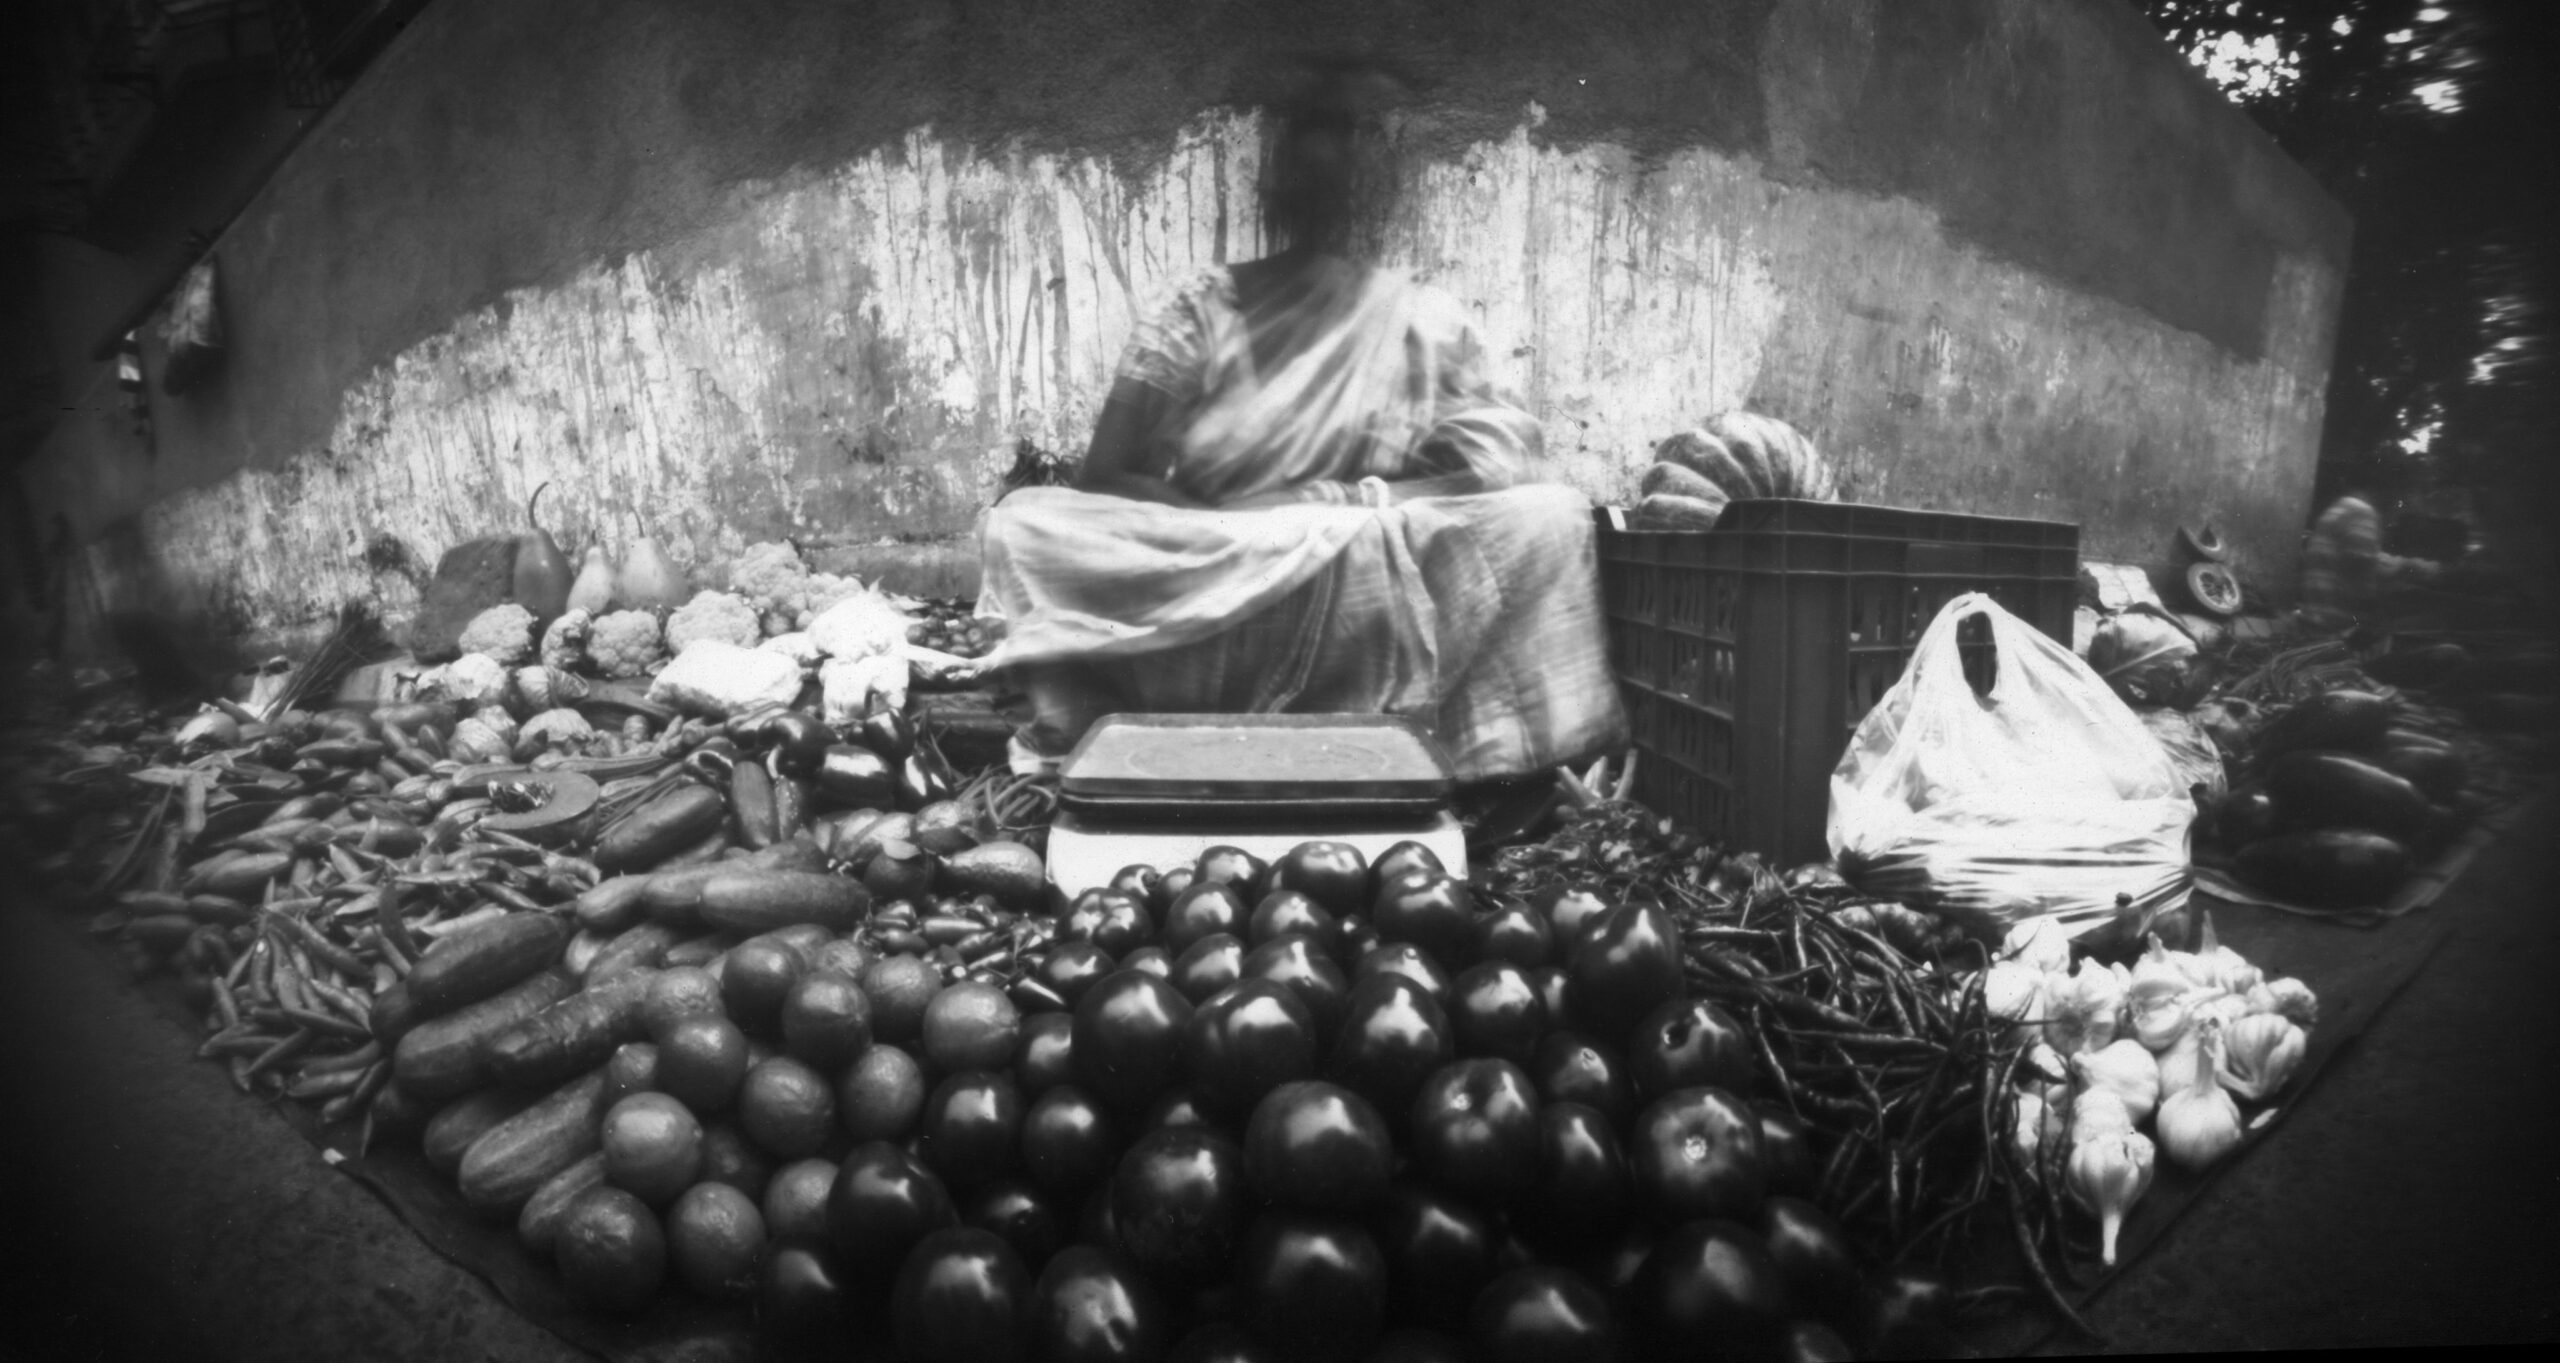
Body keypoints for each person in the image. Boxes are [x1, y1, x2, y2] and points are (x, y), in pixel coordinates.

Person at [975, 64, 1628, 791]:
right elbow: (1103, 477)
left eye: (1346, 165)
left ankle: (1484, 754)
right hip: (1212, 570)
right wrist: (1235, 525)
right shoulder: (1199, 309)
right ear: (1275, 186)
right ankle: (1121, 710)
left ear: (1370, 195)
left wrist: (1341, 507)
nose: (1326, 189)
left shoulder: (1417, 322)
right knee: (1026, 522)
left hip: (1359, 566)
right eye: (1309, 163)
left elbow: (1494, 469)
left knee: (1553, 516)